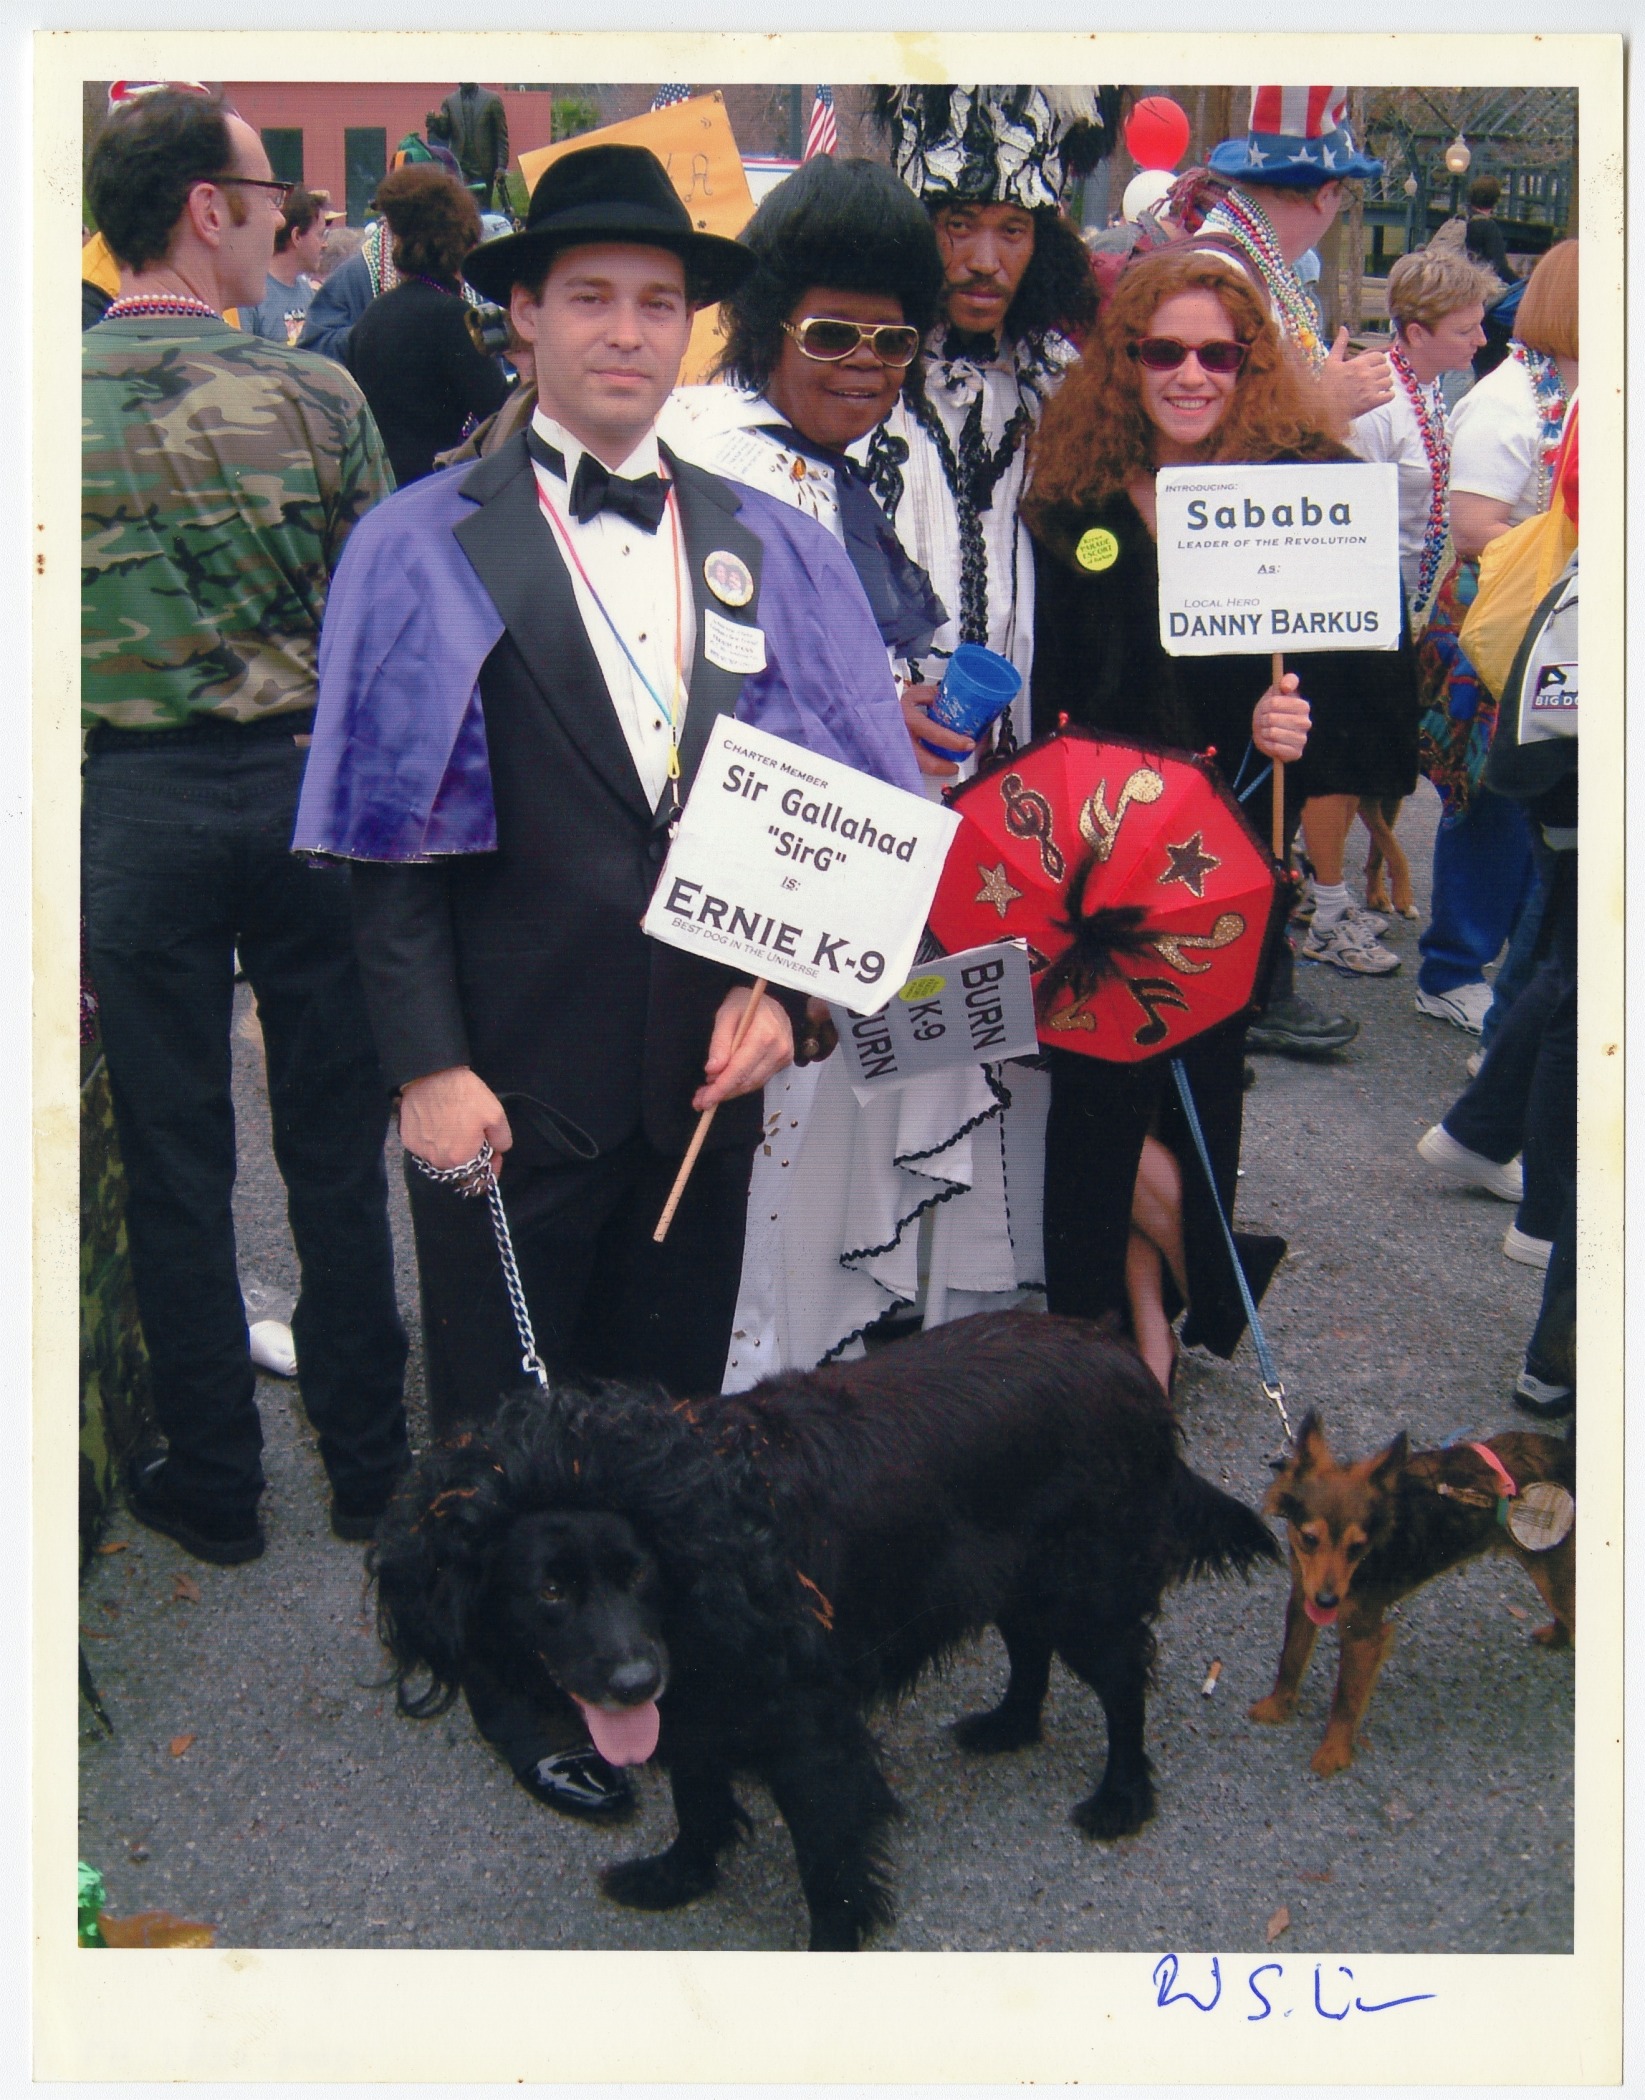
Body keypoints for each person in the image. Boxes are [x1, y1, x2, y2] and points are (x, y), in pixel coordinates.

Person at [293, 142, 921, 1818]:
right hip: (501, 1078)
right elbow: (382, 845)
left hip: (697, 1082)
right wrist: (426, 1067)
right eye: (590, 299)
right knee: (500, 1432)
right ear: (524, 317)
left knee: (667, 1417)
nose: (627, 333)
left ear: (693, 326)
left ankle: (642, 1661)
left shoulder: (770, 543)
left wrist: (792, 1003)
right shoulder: (420, 543)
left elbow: (844, 812)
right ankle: (512, 1689)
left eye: (658, 303)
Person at [81, 88, 409, 1566]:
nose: (284, 220)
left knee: (173, 1156)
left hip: (131, 802)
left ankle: (216, 1481)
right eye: (269, 195)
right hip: (302, 791)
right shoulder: (318, 396)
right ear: (205, 208)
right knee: (334, 1146)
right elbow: (383, 625)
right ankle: (368, 1465)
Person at [660, 154, 1036, 1379]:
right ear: (768, 322)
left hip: (807, 879)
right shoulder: (726, 459)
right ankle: (741, 1395)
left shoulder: (802, 460)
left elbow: (821, 666)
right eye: (832, 333)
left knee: (788, 1166)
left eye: (894, 340)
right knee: (747, 1177)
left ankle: (762, 1378)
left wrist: (892, 709)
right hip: (737, 893)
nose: (866, 365)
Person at [1025, 247, 1417, 1387]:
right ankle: (1115, 1336)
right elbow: (1055, 679)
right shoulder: (1078, 504)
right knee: (1095, 1100)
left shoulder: (1297, 493)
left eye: (1217, 354)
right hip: (1092, 857)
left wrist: (1291, 726)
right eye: (1163, 352)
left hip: (1224, 854)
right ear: (1126, 363)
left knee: (1191, 1093)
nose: (1190, 375)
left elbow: (1364, 687)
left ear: (1249, 366)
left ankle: (1160, 1318)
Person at [1202, 87, 1410, 1003]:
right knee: (1246, 777)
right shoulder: (1225, 270)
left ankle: (1256, 977)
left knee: (1271, 773)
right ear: (1325, 193)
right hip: (1233, 575)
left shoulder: (1248, 265)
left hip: (1258, 569)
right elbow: (1202, 432)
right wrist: (1323, 403)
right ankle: (1241, 987)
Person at [868, 86, 1116, 752]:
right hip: (875, 746)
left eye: (1011, 231)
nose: (984, 261)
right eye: (959, 224)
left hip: (1019, 751)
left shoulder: (1062, 386)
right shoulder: (859, 372)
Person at [1413, 240, 1578, 1040]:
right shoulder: (1507, 401)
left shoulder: (1578, 390)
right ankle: (1451, 969)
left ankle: (1519, 967)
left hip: (1556, 613)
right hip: (1502, 617)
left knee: (1542, 799)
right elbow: (1476, 528)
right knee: (1488, 799)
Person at [344, 165, 510, 485]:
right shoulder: (453, 317)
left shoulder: (373, 315)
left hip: (378, 487)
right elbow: (500, 413)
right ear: (463, 244)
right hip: (435, 487)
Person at [237, 185, 339, 343]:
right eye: (320, 235)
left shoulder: (308, 293)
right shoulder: (249, 296)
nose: (324, 244)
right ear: (296, 236)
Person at [442, 81, 511, 210]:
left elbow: (501, 137)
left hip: (484, 168)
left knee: (482, 210)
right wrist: (435, 124)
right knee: (460, 208)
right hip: (460, 166)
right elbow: (444, 133)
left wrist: (501, 166)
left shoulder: (492, 99)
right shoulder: (449, 101)